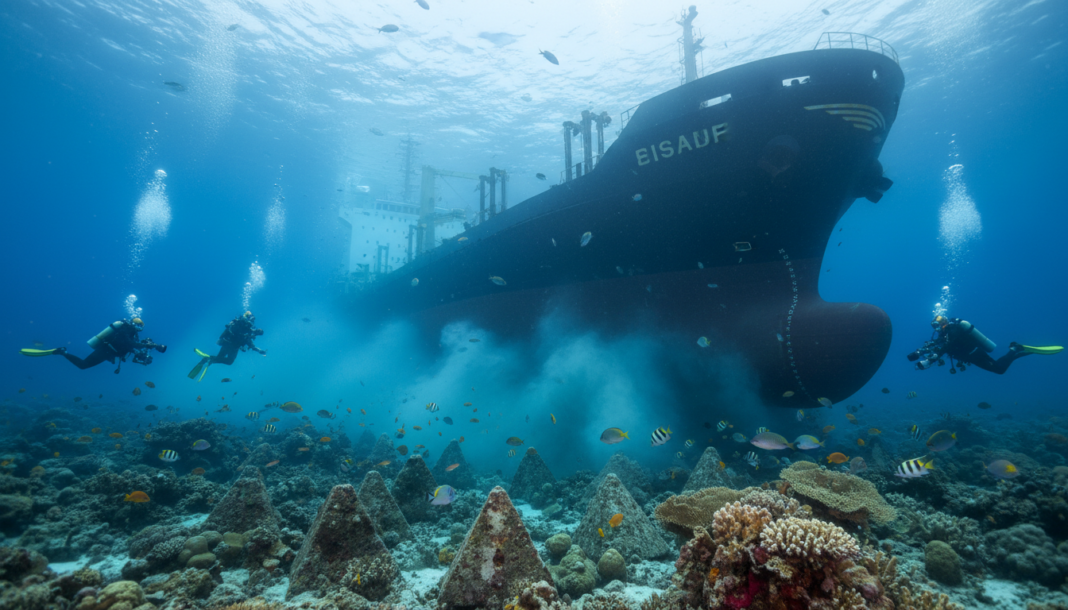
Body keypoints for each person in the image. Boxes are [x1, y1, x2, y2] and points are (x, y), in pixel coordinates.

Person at [907, 315, 1061, 375]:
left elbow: (950, 344)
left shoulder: (953, 330)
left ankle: (1014, 350)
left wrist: (935, 357)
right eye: (934, 325)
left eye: (938, 323)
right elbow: (937, 344)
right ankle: (1019, 352)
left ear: (944, 321)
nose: (937, 327)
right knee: (998, 368)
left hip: (974, 354)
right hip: (972, 355)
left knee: (999, 370)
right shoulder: (943, 334)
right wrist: (919, 353)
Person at [20, 317, 166, 373]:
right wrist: (153, 345)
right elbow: (129, 344)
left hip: (109, 353)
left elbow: (129, 347)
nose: (138, 327)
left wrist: (141, 355)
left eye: (141, 326)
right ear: (132, 322)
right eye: (137, 324)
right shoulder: (124, 330)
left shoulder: (131, 333)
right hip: (105, 350)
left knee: (83, 365)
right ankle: (62, 352)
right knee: (83, 365)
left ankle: (62, 352)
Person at [188, 311, 266, 381]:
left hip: (230, 346)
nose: (252, 322)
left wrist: (259, 350)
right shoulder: (240, 324)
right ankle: (208, 360)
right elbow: (237, 332)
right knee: (228, 361)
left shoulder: (248, 332)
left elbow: (252, 345)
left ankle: (208, 360)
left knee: (223, 360)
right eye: (251, 319)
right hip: (229, 344)